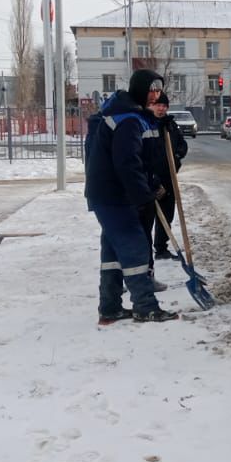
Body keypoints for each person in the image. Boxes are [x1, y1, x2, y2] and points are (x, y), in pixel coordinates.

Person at [83, 68, 177, 325]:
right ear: (140, 89)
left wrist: (152, 183)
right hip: (114, 195)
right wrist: (142, 196)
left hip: (110, 194)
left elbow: (143, 159)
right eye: (152, 89)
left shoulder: (131, 113)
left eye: (159, 90)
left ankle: (110, 307)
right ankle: (146, 306)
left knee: (113, 252)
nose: (156, 95)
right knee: (135, 247)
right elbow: (127, 163)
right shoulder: (128, 119)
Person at [146, 92, 189, 260]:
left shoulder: (170, 125)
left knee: (167, 212)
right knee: (150, 214)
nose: (161, 108)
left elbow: (182, 145)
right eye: (158, 105)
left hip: (169, 176)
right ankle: (145, 250)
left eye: (164, 106)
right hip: (152, 177)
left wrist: (178, 156)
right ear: (152, 106)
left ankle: (161, 248)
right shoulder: (147, 124)